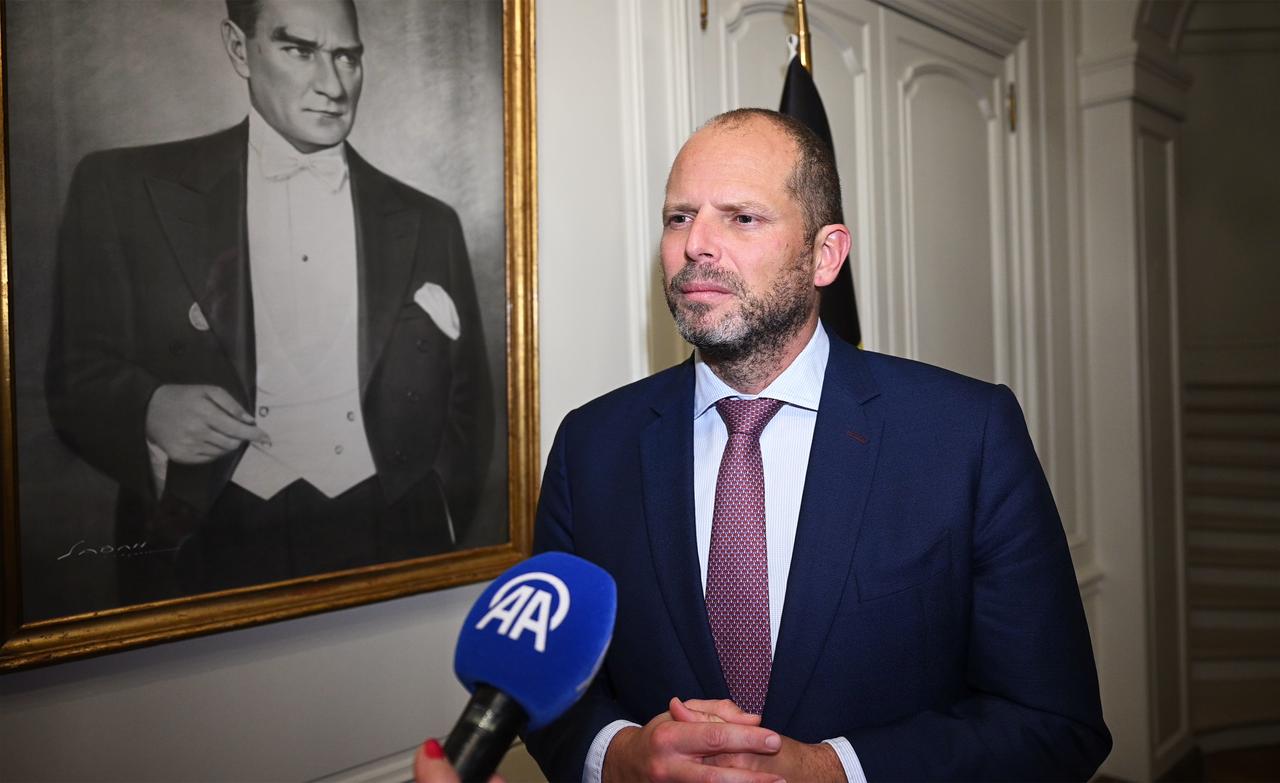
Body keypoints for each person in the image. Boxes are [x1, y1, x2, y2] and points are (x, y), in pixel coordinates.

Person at [523, 109, 1110, 782]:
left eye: (742, 217)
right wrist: (622, 757)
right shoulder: (592, 446)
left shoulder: (965, 435)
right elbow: (542, 688)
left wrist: (834, 770)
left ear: (825, 255)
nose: (696, 244)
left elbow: (1052, 722)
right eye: (679, 217)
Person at [46, 0, 491, 594]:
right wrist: (147, 407)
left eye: (347, 57)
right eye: (299, 51)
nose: (332, 85)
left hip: (389, 536)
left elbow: (468, 402)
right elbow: (75, 375)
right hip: (205, 541)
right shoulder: (123, 189)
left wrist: (435, 513)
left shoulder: (430, 222)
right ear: (239, 49)